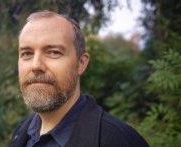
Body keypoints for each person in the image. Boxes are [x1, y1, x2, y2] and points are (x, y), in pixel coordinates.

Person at [9, 10, 149, 147]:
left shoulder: (121, 140)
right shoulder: (21, 132)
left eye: (53, 52)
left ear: (81, 63)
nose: (36, 65)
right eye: (27, 53)